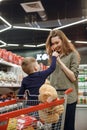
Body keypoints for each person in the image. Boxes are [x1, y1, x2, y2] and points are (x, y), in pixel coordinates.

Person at [45, 29, 81, 130]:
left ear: (63, 41)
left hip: (68, 98)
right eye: (53, 44)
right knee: (55, 126)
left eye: (57, 42)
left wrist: (59, 61)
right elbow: (51, 75)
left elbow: (73, 77)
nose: (55, 46)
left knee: (67, 127)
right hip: (55, 99)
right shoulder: (52, 56)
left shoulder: (72, 54)